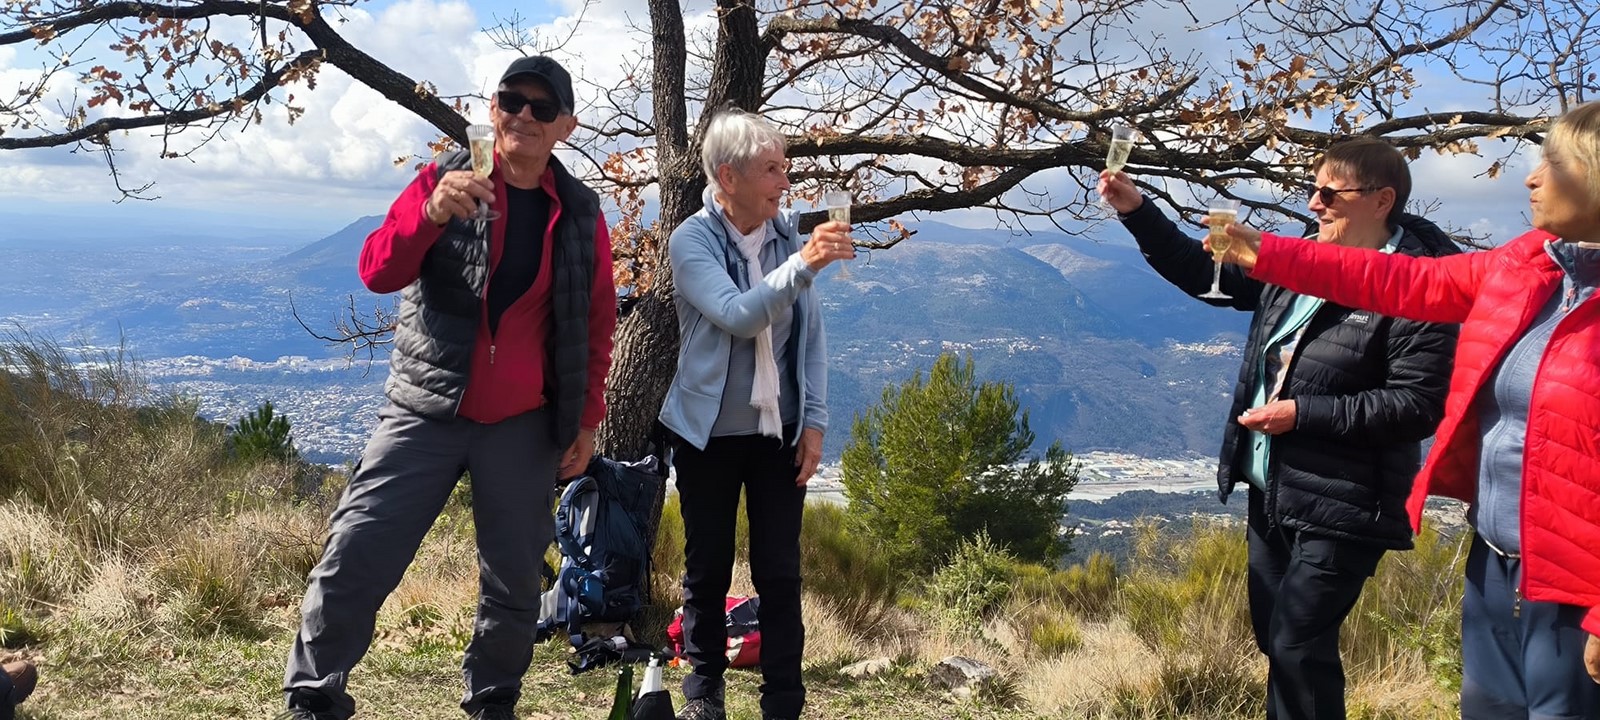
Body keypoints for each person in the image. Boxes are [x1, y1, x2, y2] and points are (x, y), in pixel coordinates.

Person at [1219, 105, 1600, 719]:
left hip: (1578, 585)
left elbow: (1414, 395)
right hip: (1498, 558)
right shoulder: (1527, 265)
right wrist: (1267, 253)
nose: (1531, 177)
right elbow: (1399, 282)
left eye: (1552, 163)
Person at [279, 55, 617, 720]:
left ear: (565, 127)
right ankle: (314, 696)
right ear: (492, 111)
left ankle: (492, 701)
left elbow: (597, 322)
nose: (523, 115)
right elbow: (377, 270)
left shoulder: (580, 213)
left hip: (522, 420)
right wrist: (430, 214)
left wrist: (586, 419)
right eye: (511, 101)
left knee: (514, 579)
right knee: (358, 550)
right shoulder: (442, 181)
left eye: (542, 107)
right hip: (426, 408)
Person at [1096, 137, 1459, 720]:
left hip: (1347, 499)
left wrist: (1301, 414)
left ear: (1382, 200)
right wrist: (1137, 211)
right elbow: (1204, 272)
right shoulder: (1301, 259)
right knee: (1278, 642)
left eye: (1329, 194)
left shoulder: (1420, 284)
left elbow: (1416, 405)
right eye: (1313, 190)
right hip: (1275, 489)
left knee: (1296, 644)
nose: (1313, 204)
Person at [657, 108, 852, 720]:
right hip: (707, 435)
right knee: (707, 569)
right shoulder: (691, 240)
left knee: (780, 573)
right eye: (772, 169)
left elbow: (810, 337)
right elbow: (739, 315)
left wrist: (814, 422)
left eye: (784, 167)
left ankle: (783, 704)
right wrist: (805, 265)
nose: (785, 182)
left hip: (779, 433)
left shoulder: (785, 236)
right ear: (728, 176)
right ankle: (703, 695)